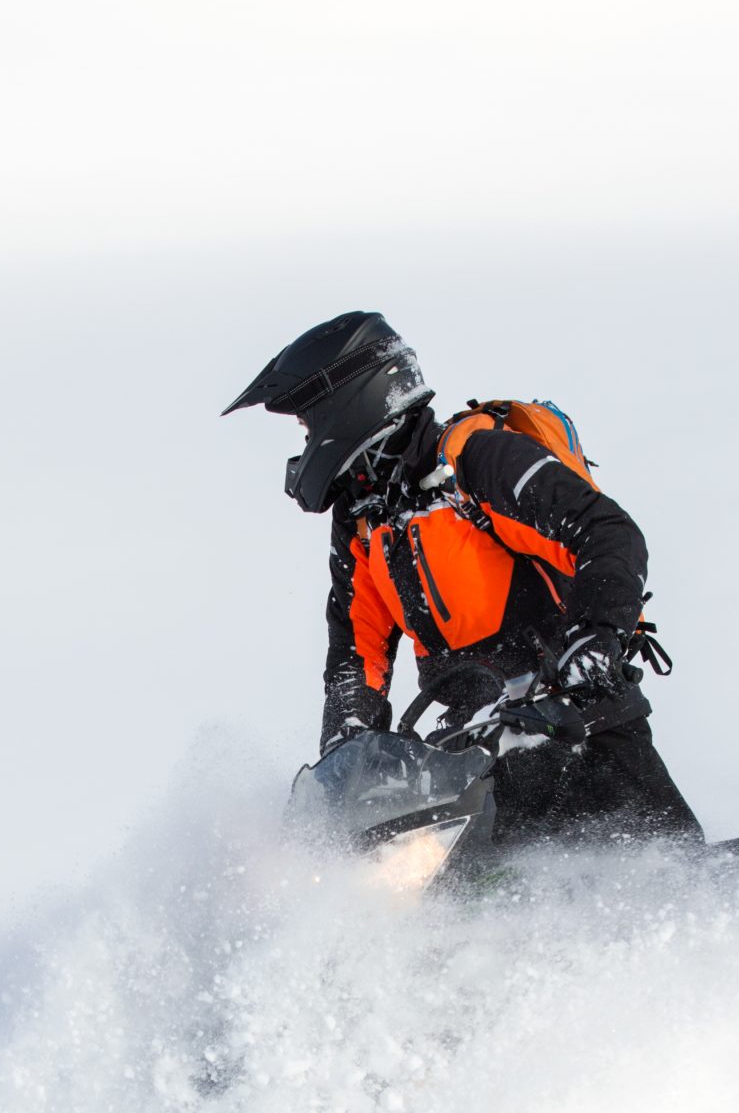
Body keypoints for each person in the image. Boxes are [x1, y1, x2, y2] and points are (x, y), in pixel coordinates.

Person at [225, 311, 702, 847]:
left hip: (577, 721)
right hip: (473, 754)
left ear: (348, 403)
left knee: (664, 866)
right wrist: (346, 742)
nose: (306, 440)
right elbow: (356, 652)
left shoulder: (477, 460)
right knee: (458, 888)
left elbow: (606, 533)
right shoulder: (363, 518)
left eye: (306, 424)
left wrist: (594, 640)